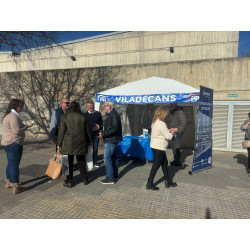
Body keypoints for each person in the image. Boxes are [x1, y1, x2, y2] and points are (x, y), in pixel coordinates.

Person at [56, 102, 92, 187]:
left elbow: (61, 131)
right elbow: (88, 130)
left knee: (68, 162)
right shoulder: (82, 116)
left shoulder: (65, 116)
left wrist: (59, 143)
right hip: (81, 142)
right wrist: (89, 140)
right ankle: (85, 179)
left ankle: (69, 181)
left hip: (68, 143)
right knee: (81, 161)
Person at [1, 99, 33, 195]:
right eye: (21, 106)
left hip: (7, 143)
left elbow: (16, 127)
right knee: (14, 165)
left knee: (10, 163)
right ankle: (15, 186)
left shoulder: (8, 115)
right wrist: (27, 127)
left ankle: (8, 182)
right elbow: (16, 131)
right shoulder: (13, 116)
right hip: (14, 143)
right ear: (16, 106)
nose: (22, 108)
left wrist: (24, 125)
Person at [146, 107, 177, 191]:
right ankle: (149, 183)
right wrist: (173, 132)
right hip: (159, 147)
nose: (167, 115)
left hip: (154, 145)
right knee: (156, 165)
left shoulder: (155, 121)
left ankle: (168, 181)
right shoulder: (162, 123)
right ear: (162, 114)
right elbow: (168, 136)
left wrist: (168, 130)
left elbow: (161, 132)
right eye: (166, 114)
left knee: (164, 163)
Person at [98, 101, 122, 184]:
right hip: (112, 139)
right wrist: (100, 126)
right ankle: (114, 175)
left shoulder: (113, 115)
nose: (104, 108)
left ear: (110, 106)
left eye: (105, 106)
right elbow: (109, 126)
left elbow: (114, 128)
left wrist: (103, 135)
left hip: (111, 140)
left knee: (107, 159)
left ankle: (110, 178)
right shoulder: (111, 114)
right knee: (113, 158)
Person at [84, 100, 103, 168]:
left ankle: (95, 161)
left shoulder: (98, 114)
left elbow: (102, 124)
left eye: (91, 105)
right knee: (87, 149)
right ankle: (88, 162)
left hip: (96, 134)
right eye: (89, 106)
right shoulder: (84, 115)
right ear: (87, 106)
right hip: (87, 135)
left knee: (95, 148)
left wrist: (99, 127)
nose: (90, 107)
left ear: (93, 105)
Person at [169, 103, 187, 167]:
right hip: (173, 132)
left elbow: (183, 122)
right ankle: (175, 160)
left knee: (176, 146)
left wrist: (178, 129)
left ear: (175, 103)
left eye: (171, 103)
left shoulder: (179, 111)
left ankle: (177, 161)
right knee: (173, 146)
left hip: (177, 132)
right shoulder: (173, 111)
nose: (170, 104)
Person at [240, 112, 250, 177]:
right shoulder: (247, 121)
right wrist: (248, 123)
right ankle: (249, 169)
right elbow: (242, 128)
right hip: (249, 141)